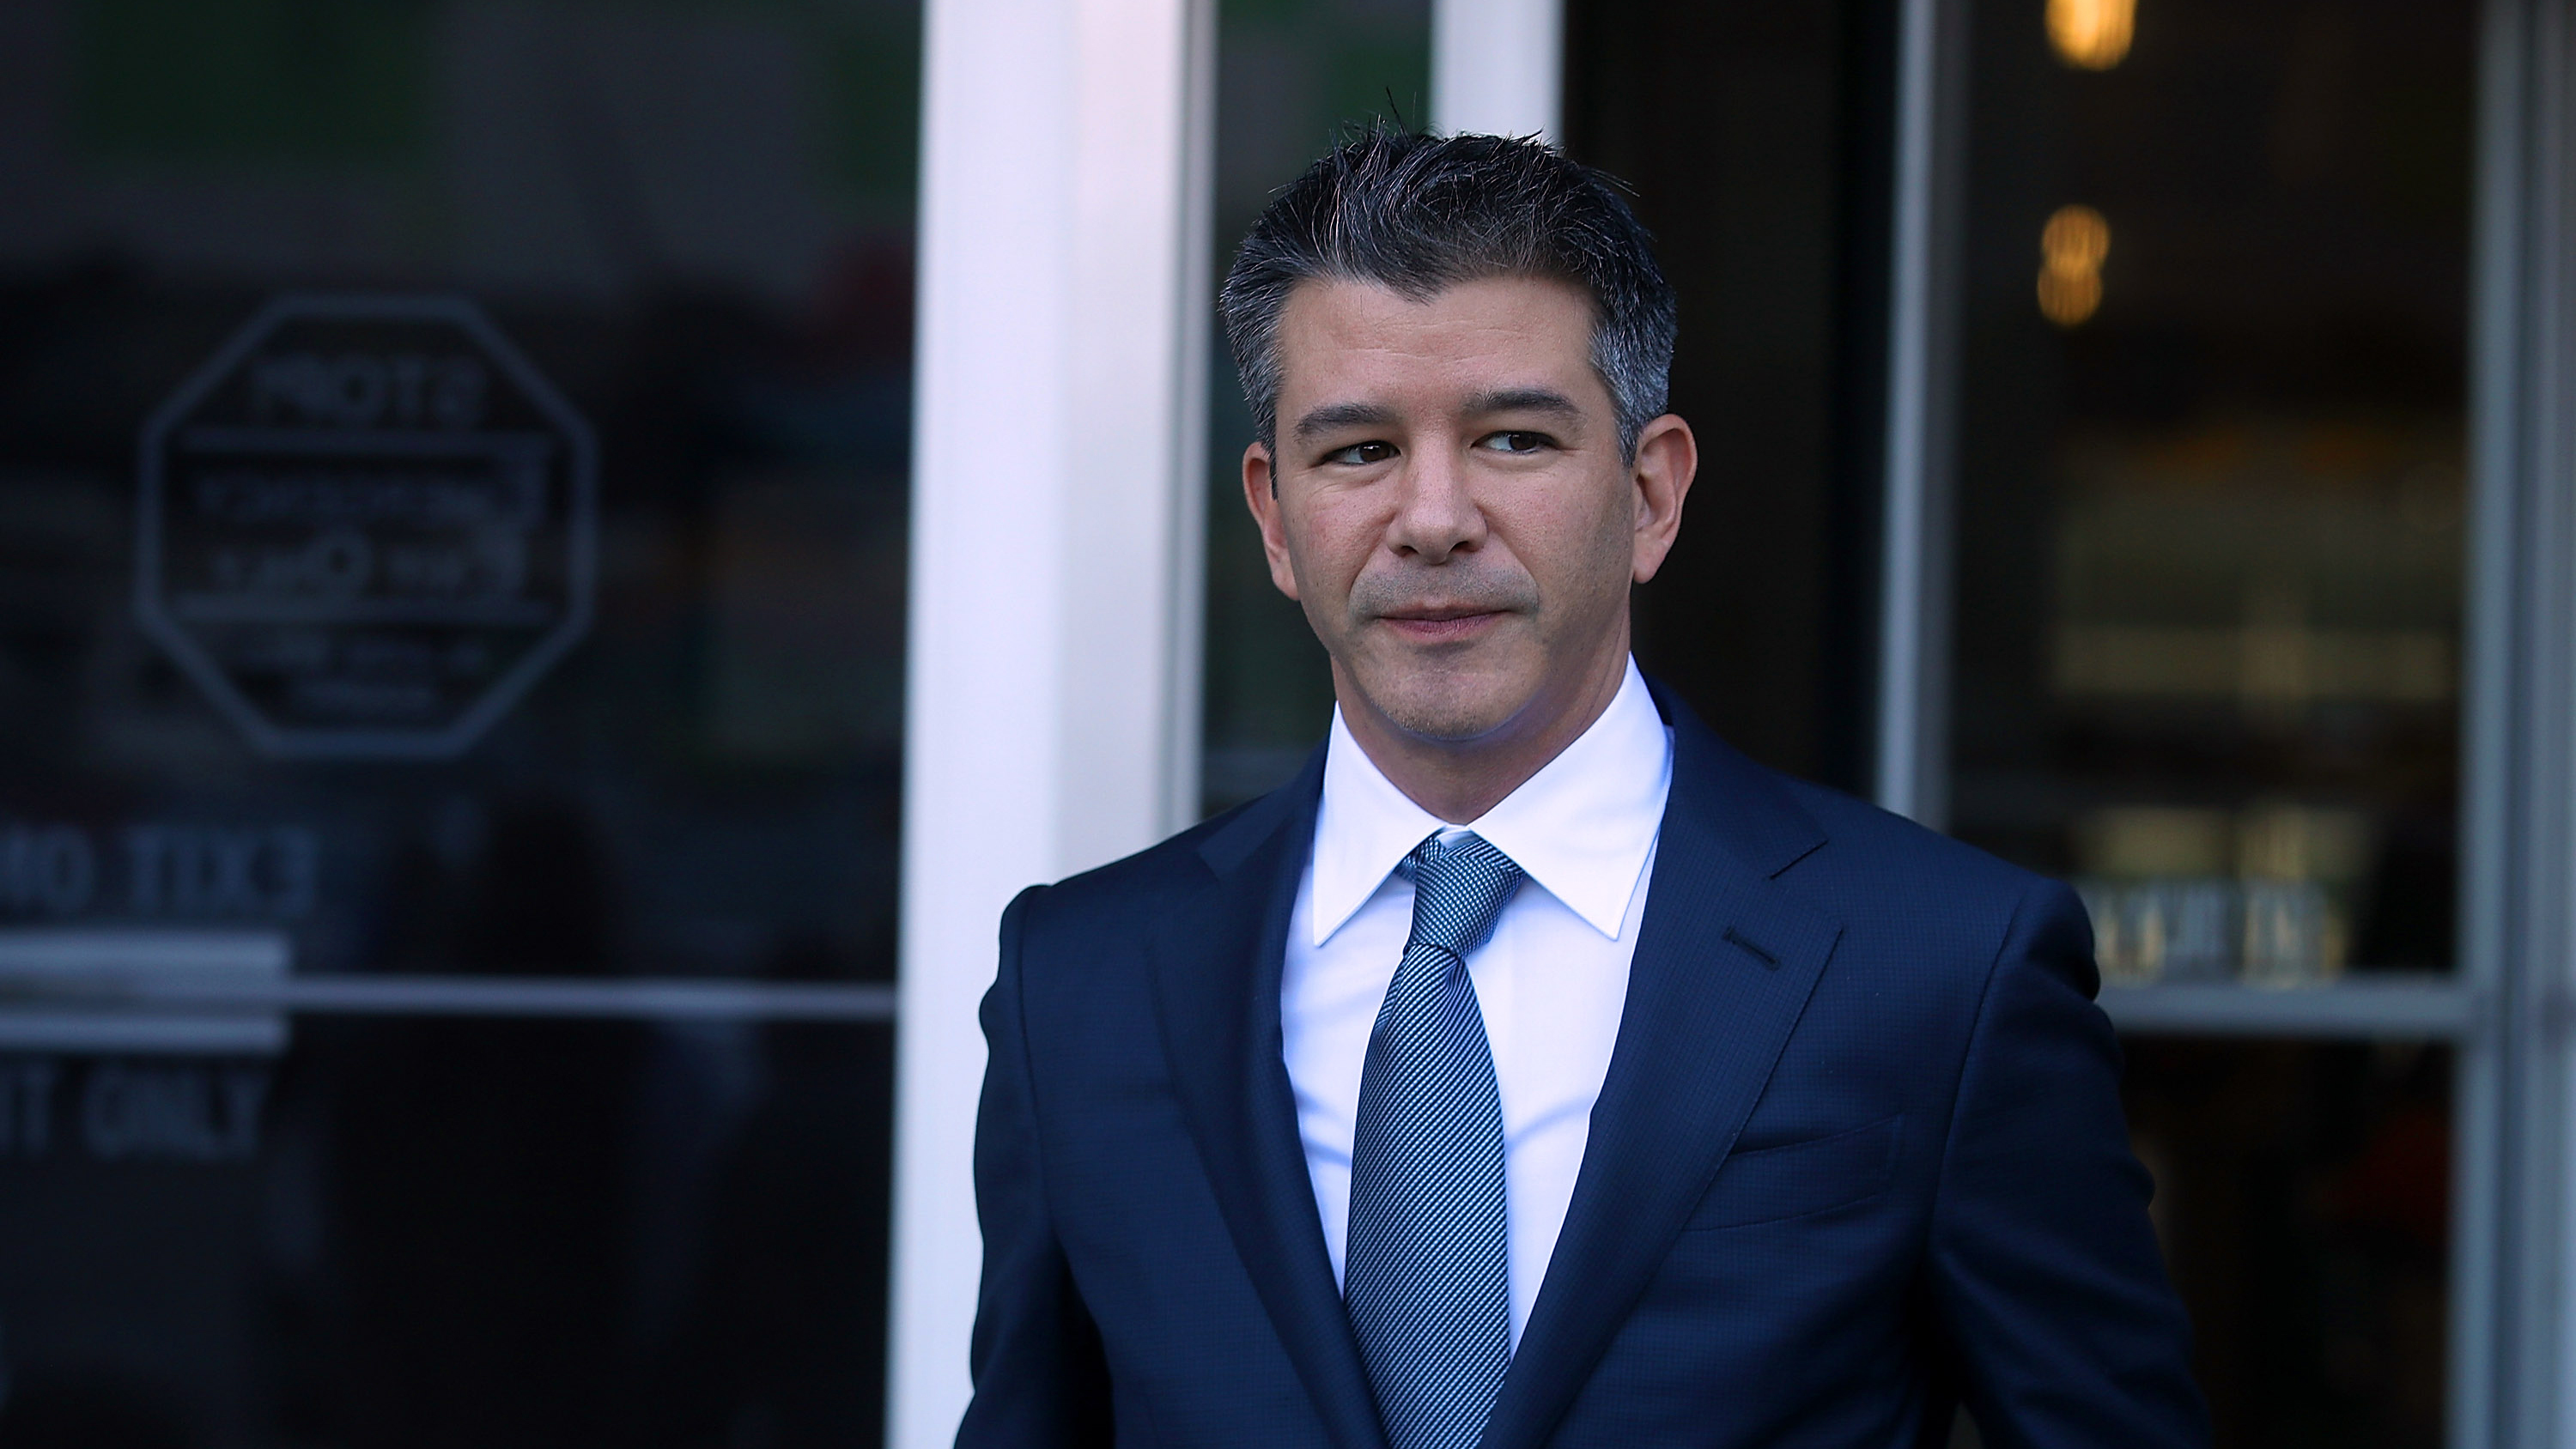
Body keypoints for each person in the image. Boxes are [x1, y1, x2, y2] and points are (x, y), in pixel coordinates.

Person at [959, 130, 2208, 1449]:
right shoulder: (1080, 986)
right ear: (1275, 518)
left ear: (1652, 493)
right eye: (1359, 451)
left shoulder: (1943, 969)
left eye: (1512, 439)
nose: (1432, 518)